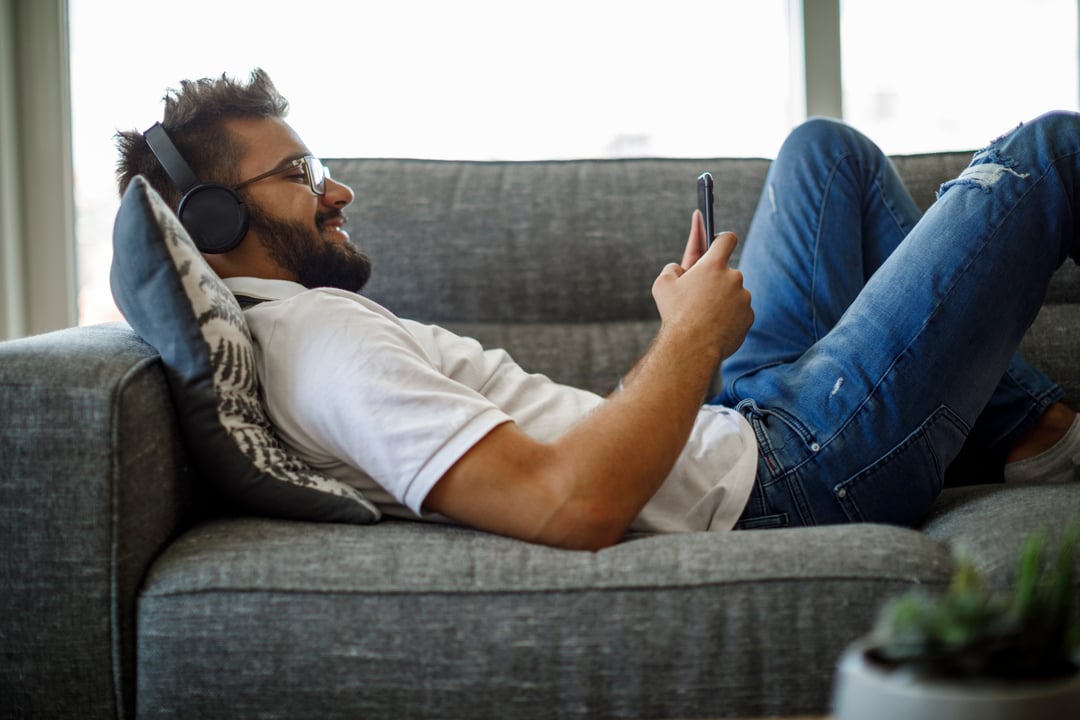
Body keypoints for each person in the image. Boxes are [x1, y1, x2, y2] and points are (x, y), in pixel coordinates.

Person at [116, 69, 1080, 550]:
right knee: (1048, 155)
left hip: (742, 423)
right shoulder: (318, 345)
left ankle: (1032, 425)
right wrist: (690, 339)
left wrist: (699, 353)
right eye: (302, 174)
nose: (340, 192)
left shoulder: (300, 330)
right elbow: (569, 505)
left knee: (828, 154)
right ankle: (1035, 426)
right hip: (800, 476)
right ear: (213, 214)